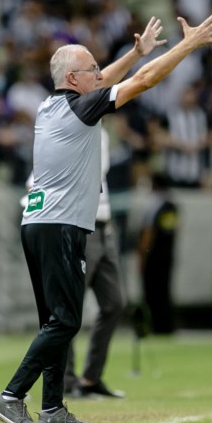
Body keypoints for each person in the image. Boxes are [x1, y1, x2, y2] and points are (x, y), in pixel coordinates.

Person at [0, 13, 212, 423]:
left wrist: (133, 52)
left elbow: (107, 78)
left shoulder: (51, 104)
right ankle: (10, 396)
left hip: (39, 221)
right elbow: (145, 81)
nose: (100, 73)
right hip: (59, 224)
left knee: (55, 321)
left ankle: (53, 410)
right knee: (67, 321)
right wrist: (186, 46)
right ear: (75, 78)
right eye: (93, 69)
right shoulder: (82, 108)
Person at [63, 129, 126, 400]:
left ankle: (90, 378)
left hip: (104, 226)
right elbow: (36, 180)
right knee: (68, 308)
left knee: (113, 303)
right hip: (81, 225)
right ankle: (65, 380)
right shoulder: (67, 129)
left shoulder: (99, 130)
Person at [138, 173, 179, 335]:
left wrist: (142, 256)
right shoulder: (172, 206)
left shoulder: (153, 204)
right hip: (167, 256)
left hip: (153, 258)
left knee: (151, 293)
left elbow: (148, 231)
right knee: (165, 291)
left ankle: (153, 326)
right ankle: (166, 326)